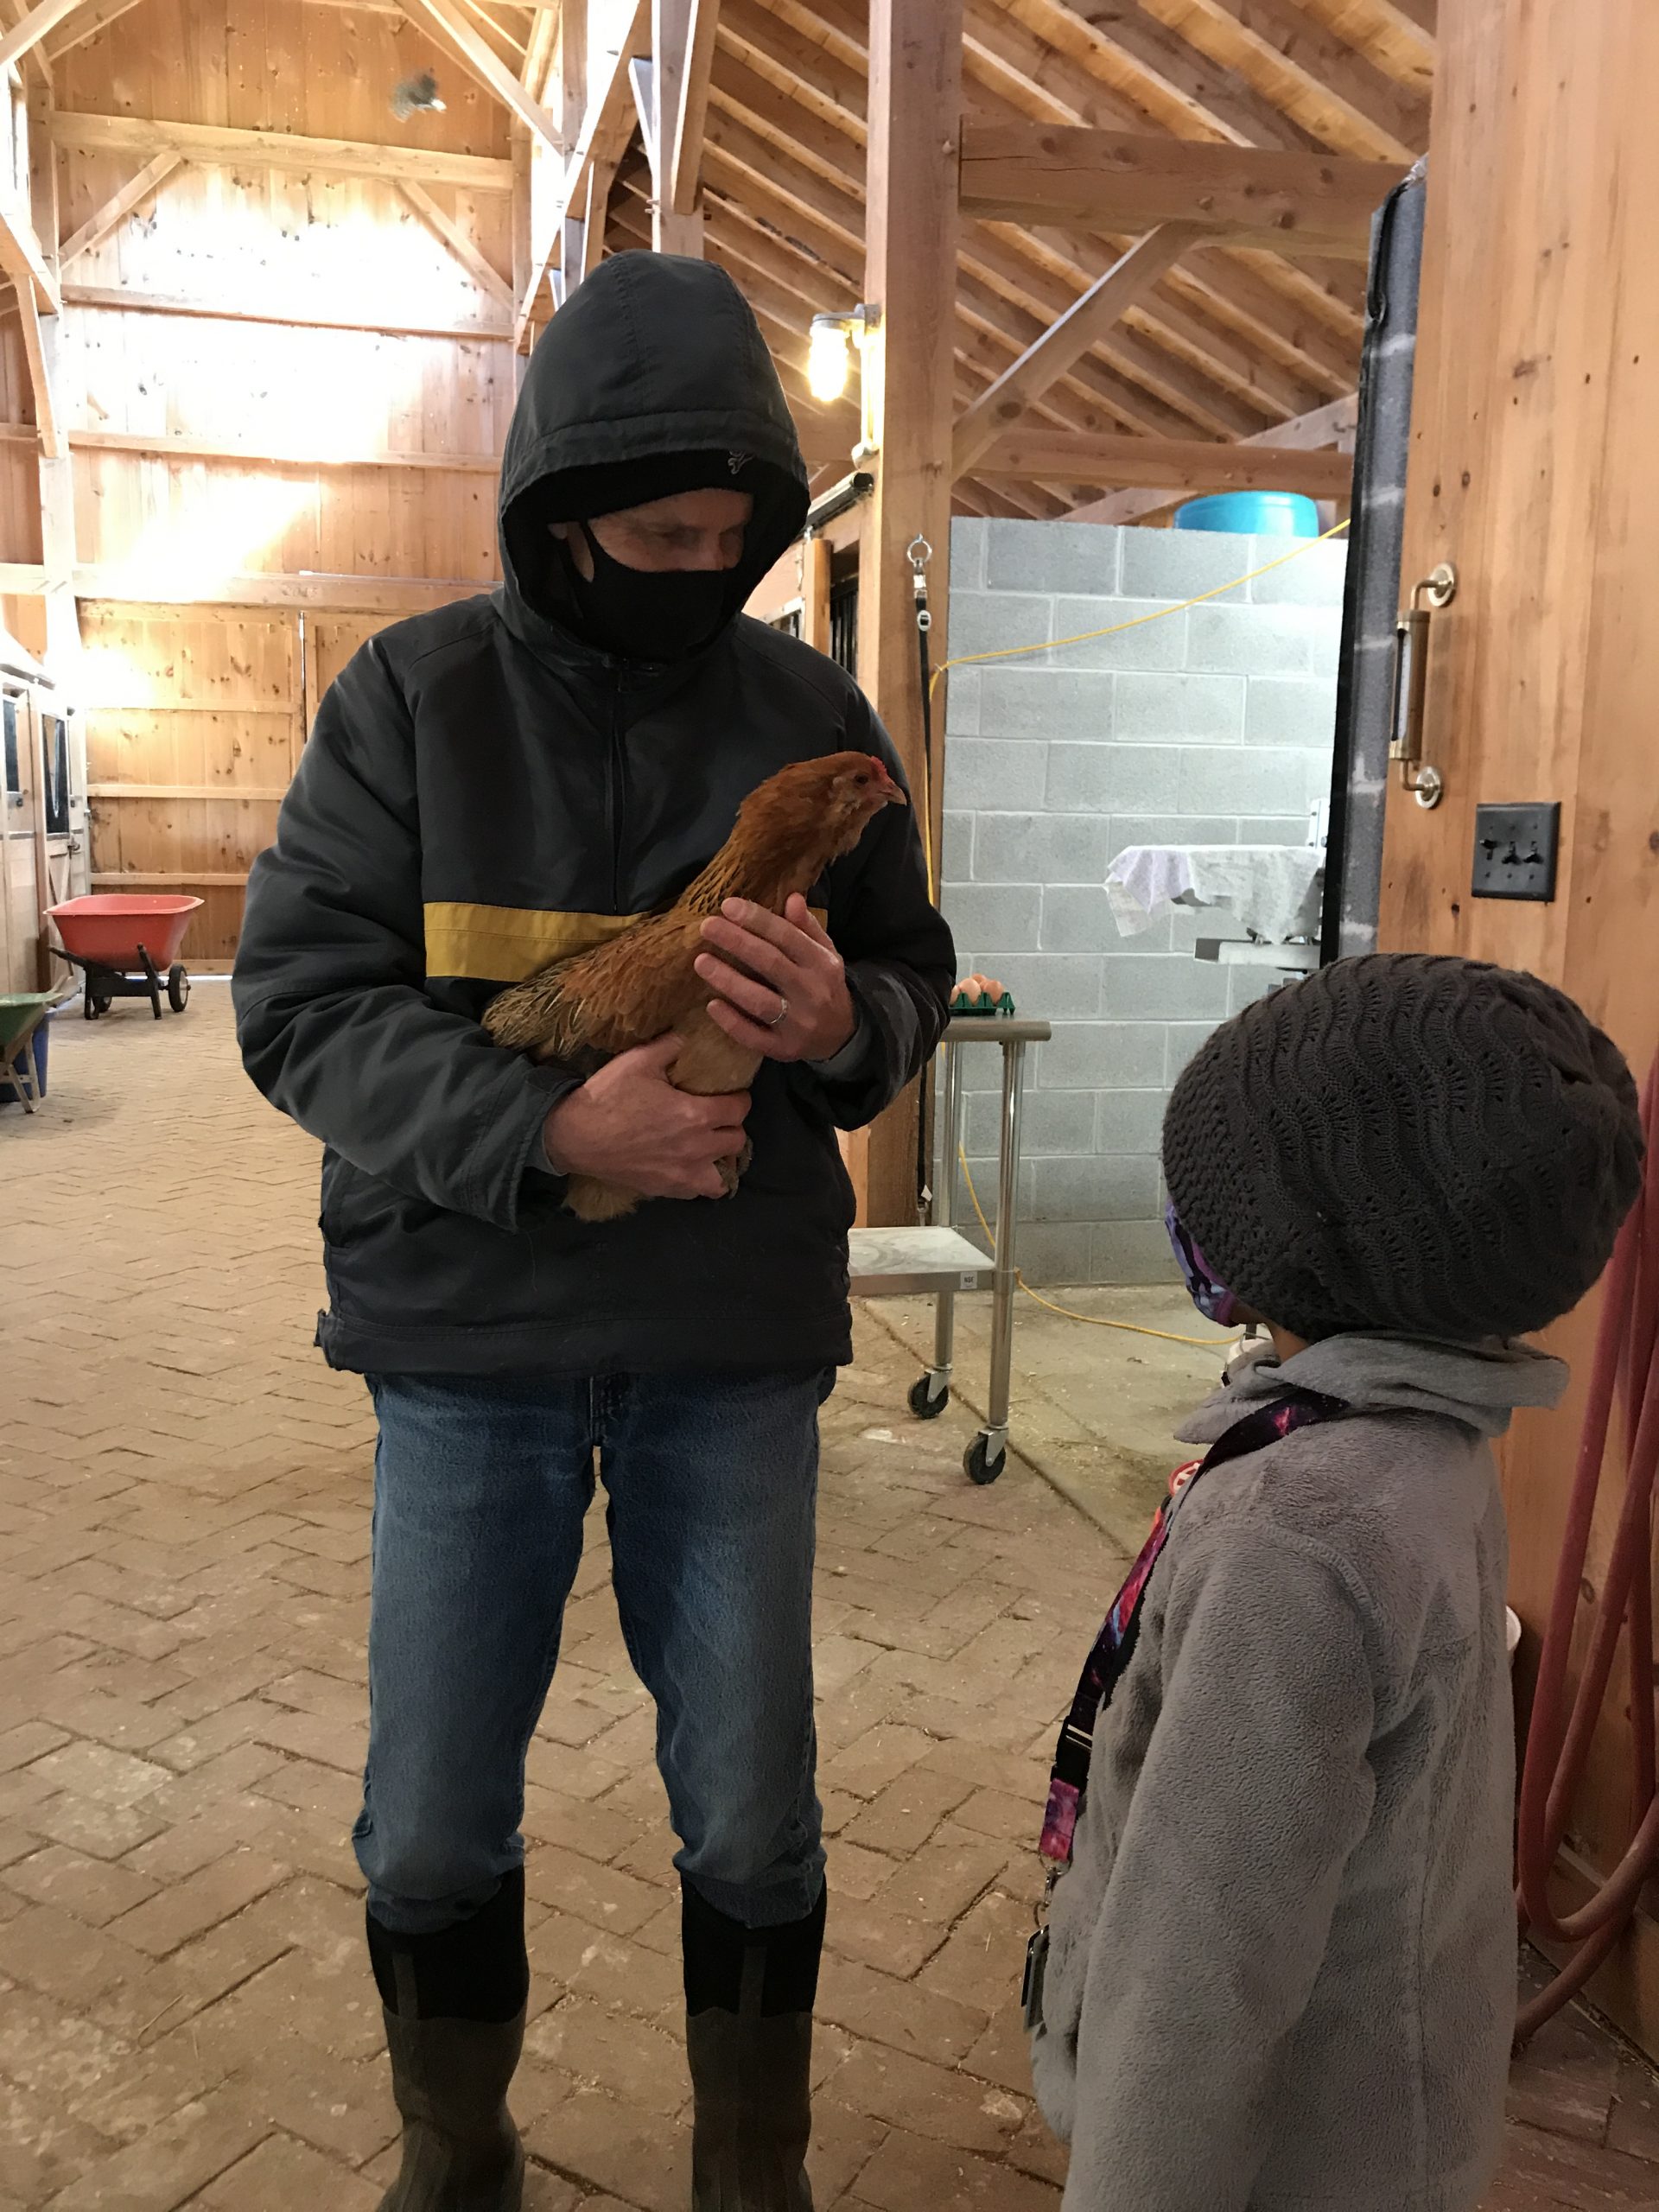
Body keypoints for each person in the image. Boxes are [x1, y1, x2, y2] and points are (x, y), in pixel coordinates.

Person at [232, 251, 953, 2212]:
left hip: (727, 1341)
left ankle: (754, 2170)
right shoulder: (412, 700)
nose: (696, 564)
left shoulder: (808, 702)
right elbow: (297, 1006)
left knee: (753, 1809)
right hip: (472, 1338)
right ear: (559, 514)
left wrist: (846, 1023)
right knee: (434, 1824)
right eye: (655, 533)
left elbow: (910, 974)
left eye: (731, 535)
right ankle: (455, 2156)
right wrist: (550, 1124)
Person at [1027, 953, 1643, 2212]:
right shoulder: (1422, 1442)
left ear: (1311, 1245)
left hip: (1273, 2166)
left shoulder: (1295, 1534)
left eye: (1212, 1199)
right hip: (1388, 2129)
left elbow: (1202, 1965)